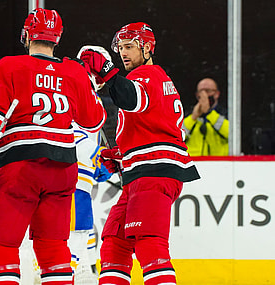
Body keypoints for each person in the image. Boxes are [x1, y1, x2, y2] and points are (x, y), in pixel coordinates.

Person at [0, 8, 107, 285]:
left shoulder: (9, 67)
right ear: (58, 38)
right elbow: (95, 120)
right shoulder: (73, 71)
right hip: (63, 170)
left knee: (0, 246)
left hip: (22, 167)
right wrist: (89, 82)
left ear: (26, 35)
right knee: (53, 250)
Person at [80, 22, 200, 285]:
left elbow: (131, 98)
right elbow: (153, 127)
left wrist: (108, 72)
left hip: (154, 173)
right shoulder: (153, 78)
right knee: (114, 243)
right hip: (142, 174)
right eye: (120, 48)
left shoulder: (147, 75)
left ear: (147, 48)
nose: (123, 53)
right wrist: (121, 155)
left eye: (129, 47)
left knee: (149, 244)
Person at [68, 45, 113, 285]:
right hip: (69, 176)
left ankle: (82, 267)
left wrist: (96, 161)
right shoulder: (78, 86)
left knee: (82, 230)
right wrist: (97, 155)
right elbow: (70, 134)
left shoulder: (79, 86)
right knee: (73, 234)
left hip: (78, 177)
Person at [183, 77, 229, 156]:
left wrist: (209, 113)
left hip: (220, 163)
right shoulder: (188, 114)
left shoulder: (226, 112)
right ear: (197, 95)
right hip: (193, 163)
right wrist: (193, 117)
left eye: (208, 91)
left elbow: (230, 134)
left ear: (217, 94)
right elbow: (178, 137)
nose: (204, 95)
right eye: (201, 91)